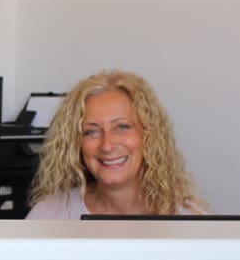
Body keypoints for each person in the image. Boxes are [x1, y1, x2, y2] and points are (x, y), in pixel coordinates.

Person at [26, 70, 205, 219]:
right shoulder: (49, 215)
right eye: (91, 131)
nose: (107, 145)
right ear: (76, 143)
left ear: (149, 136)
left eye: (122, 127)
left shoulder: (187, 219)